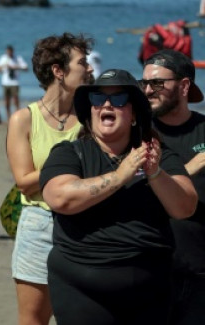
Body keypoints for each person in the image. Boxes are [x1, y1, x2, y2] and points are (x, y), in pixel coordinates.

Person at [41, 69, 197, 324]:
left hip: (149, 291)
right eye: (97, 99)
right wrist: (119, 176)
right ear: (89, 111)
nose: (105, 105)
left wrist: (155, 173)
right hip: (81, 290)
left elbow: (185, 207)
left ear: (134, 113)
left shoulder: (159, 155)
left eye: (118, 99)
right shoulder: (70, 153)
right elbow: (60, 198)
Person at [4, 33, 92, 325]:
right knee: (33, 319)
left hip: (85, 223)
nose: (90, 69)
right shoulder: (24, 119)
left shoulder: (92, 116)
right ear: (59, 71)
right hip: (39, 224)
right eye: (83, 63)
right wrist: (70, 161)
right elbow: (25, 182)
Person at [141, 49, 205, 324]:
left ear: (184, 86)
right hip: (147, 271)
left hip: (201, 274)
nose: (147, 90)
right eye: (143, 83)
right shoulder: (137, 134)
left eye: (157, 83)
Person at [0, 45, 28, 117]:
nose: (9, 53)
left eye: (10, 52)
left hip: (15, 82)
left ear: (12, 51)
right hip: (5, 82)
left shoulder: (17, 58)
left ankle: (17, 115)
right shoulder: (3, 58)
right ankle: (8, 116)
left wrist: (16, 67)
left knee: (16, 99)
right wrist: (5, 66)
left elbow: (26, 68)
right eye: (8, 52)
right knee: (6, 101)